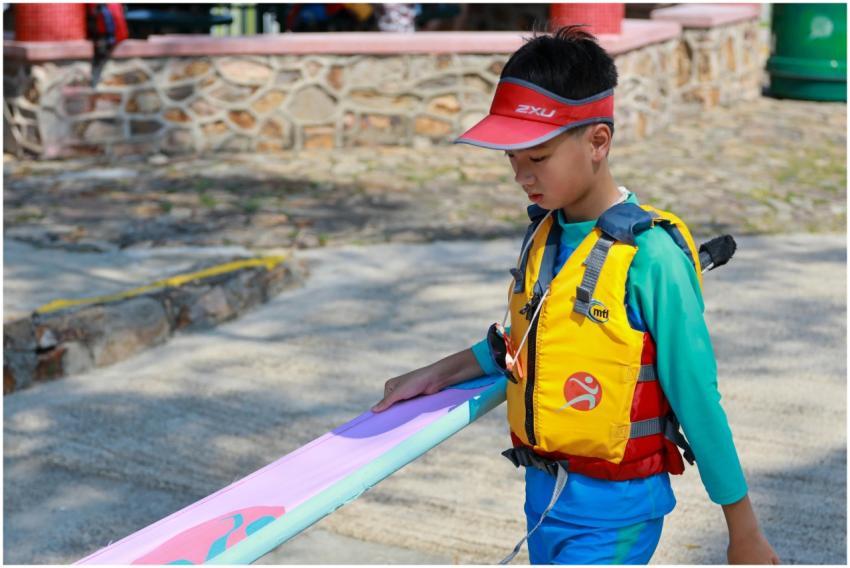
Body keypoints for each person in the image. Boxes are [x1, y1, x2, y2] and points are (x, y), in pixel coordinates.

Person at [371, 25, 781, 565]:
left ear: (598, 141)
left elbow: (698, 398)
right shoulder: (544, 234)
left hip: (617, 514)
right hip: (544, 501)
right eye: (512, 159)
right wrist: (435, 375)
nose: (521, 176)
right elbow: (530, 342)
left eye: (537, 158)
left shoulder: (652, 259)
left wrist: (743, 531)